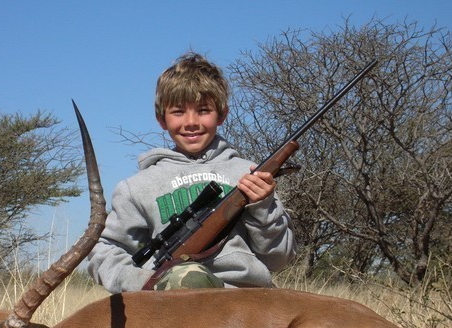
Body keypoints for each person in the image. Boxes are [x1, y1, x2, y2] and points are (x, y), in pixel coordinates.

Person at [87, 52, 296, 293]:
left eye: (203, 110)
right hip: (175, 305)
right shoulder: (136, 187)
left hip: (247, 301)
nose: (191, 122)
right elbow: (103, 252)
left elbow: (279, 259)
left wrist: (263, 206)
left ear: (222, 114)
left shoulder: (249, 174)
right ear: (161, 119)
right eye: (178, 112)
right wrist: (148, 283)